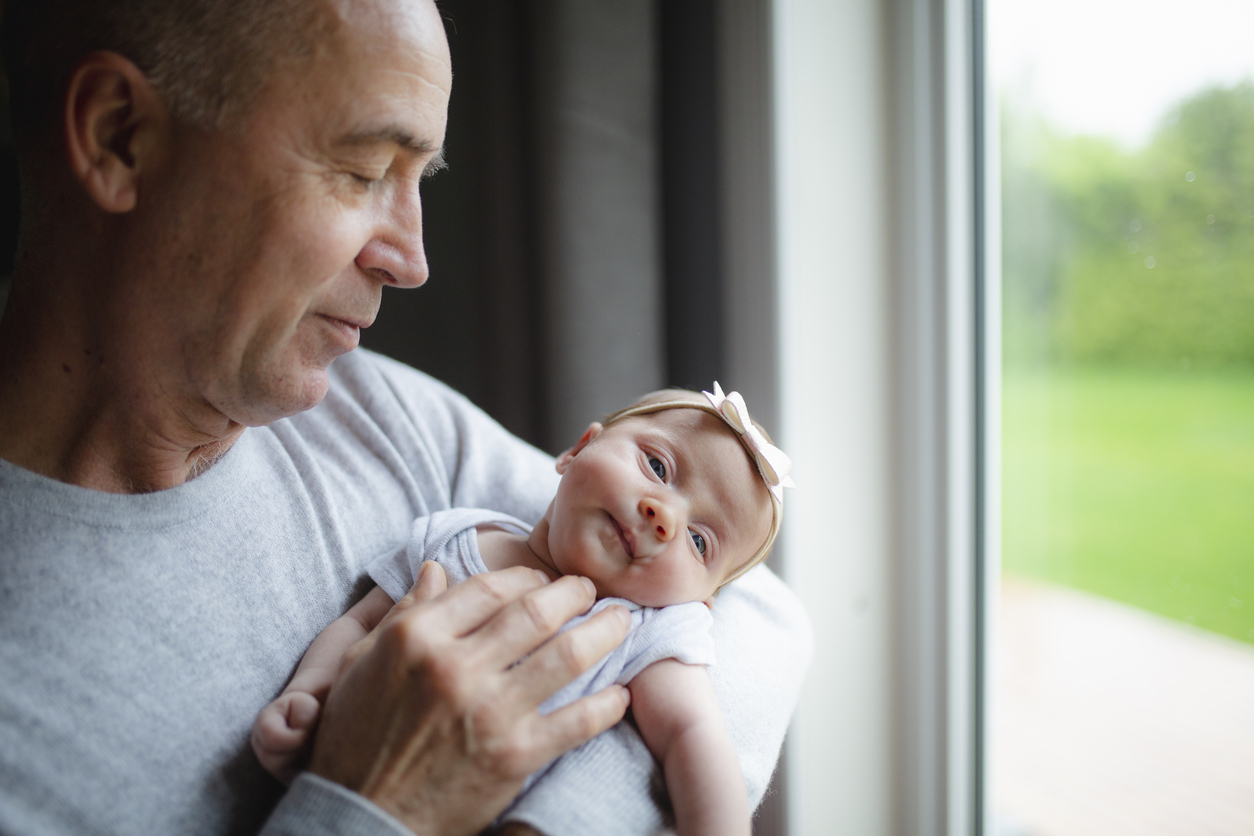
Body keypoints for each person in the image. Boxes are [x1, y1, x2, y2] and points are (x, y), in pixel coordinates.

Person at [0, 0, 813, 834]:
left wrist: (545, 814)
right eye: (361, 172)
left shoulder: (379, 415)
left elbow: (761, 622)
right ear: (118, 135)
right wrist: (377, 811)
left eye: (419, 180)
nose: (413, 261)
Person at [254, 385, 796, 836]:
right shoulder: (457, 534)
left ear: (702, 601)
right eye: (657, 465)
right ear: (578, 449)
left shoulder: (648, 629)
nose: (664, 516)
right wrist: (313, 690)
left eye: (699, 542)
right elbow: (361, 622)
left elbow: (694, 738)